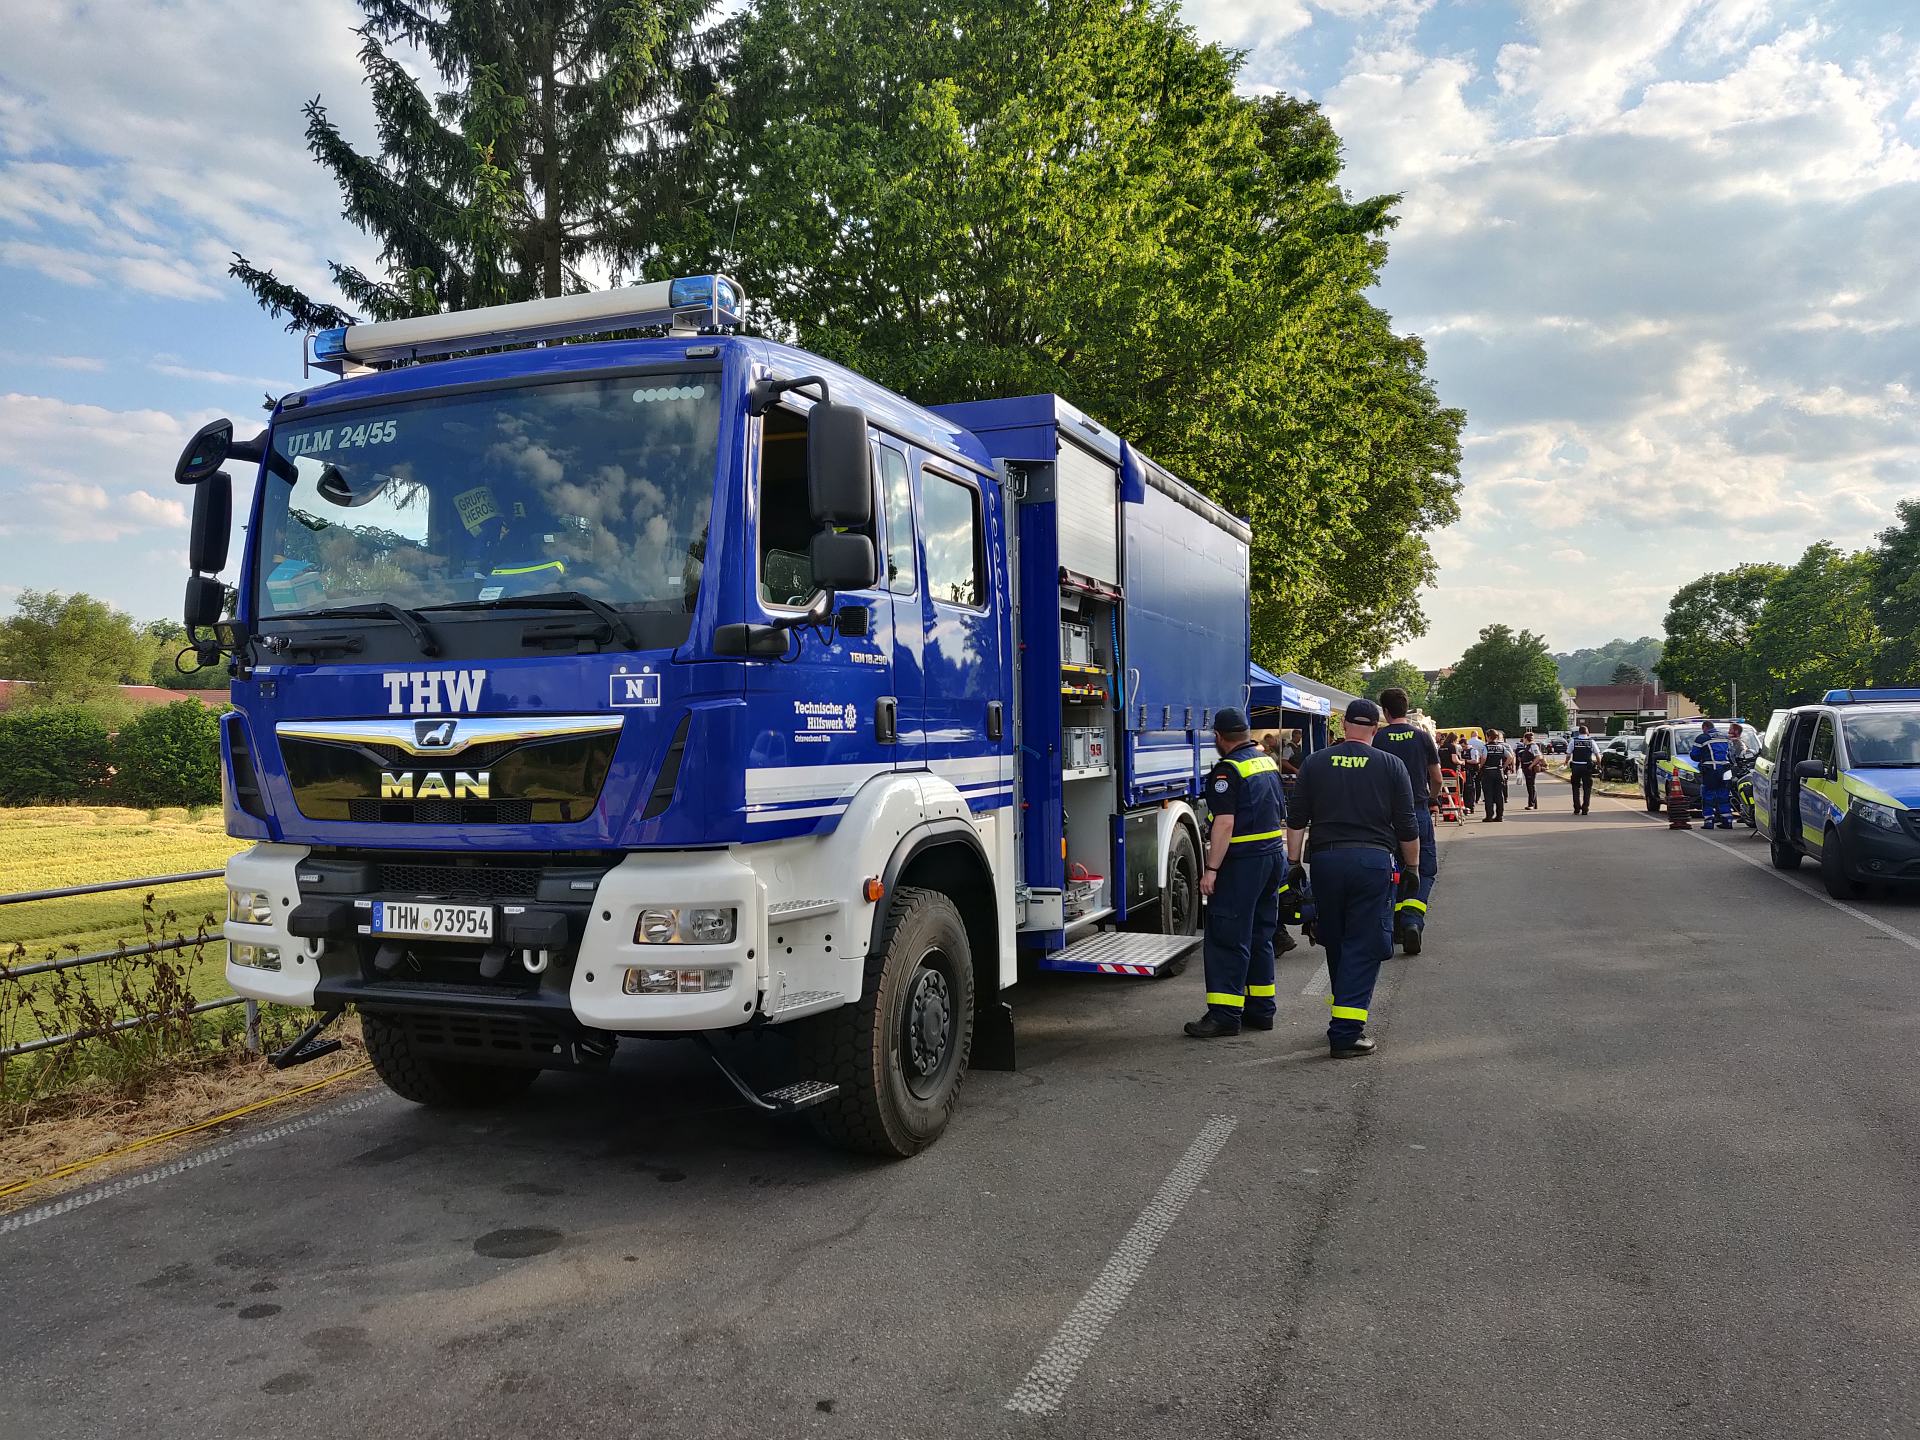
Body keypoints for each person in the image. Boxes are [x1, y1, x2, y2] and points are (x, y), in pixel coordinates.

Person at [1286, 698, 1421, 1058]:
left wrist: (1294, 862)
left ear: (1343, 725)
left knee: (1335, 937)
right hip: (1373, 862)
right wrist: (1413, 868)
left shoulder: (1315, 762)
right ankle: (1346, 1032)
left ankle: (1341, 1012)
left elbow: (1296, 818)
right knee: (1364, 942)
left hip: (1327, 861)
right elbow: (1407, 824)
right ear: (1375, 730)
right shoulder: (1391, 764)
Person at [1185, 708, 1289, 1039]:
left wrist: (1211, 869)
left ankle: (1225, 1015)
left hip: (1243, 861)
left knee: (1228, 936)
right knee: (1260, 934)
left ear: (1218, 737)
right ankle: (1261, 1010)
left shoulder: (1227, 771)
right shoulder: (1266, 762)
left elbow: (1225, 823)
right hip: (1273, 857)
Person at [1373, 688, 1442, 955]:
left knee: (1392, 870)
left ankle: (1392, 926)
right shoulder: (1422, 737)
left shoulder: (1377, 738)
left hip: (1386, 815)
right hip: (1417, 810)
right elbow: (1436, 777)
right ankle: (1412, 920)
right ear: (1406, 707)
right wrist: (1432, 798)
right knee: (1423, 869)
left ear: (1385, 711)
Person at [1691, 719, 1736, 830]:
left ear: (1705, 727)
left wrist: (1702, 757)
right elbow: (1731, 754)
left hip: (1710, 770)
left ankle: (1709, 822)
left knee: (1708, 795)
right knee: (1724, 795)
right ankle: (1727, 821)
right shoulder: (1724, 736)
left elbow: (1694, 755)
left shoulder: (1702, 737)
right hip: (1725, 770)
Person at [1567, 724, 1599, 815]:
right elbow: (1597, 754)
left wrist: (1565, 762)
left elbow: (1568, 754)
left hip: (1576, 766)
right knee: (1587, 788)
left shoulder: (1573, 741)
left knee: (1575, 787)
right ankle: (1585, 808)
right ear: (1587, 732)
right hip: (1587, 767)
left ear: (1579, 732)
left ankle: (1577, 808)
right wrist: (1599, 765)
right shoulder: (1591, 741)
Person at [1481, 729, 1512, 822]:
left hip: (1488, 772)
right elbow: (1510, 757)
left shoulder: (1485, 747)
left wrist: (1480, 766)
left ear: (1488, 737)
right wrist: (1504, 766)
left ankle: (1489, 816)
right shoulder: (1501, 747)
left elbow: (1484, 757)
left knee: (1488, 795)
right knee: (1499, 794)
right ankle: (1499, 816)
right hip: (1499, 772)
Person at [1514, 729, 1542, 810]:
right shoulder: (1527, 746)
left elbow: (1538, 756)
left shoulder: (1533, 746)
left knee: (1531, 785)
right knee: (1530, 785)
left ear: (1526, 738)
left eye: (1524, 738)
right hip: (1526, 768)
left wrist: (1531, 765)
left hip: (1530, 768)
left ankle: (1531, 804)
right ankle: (1534, 803)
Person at [1461, 731, 1487, 811]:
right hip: (1465, 772)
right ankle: (1466, 805)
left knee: (1471, 788)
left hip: (1472, 771)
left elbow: (1475, 761)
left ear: (1466, 744)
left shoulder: (1473, 750)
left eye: (1463, 746)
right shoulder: (1481, 743)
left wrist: (1464, 761)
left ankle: (1472, 804)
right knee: (1465, 789)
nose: (1462, 748)